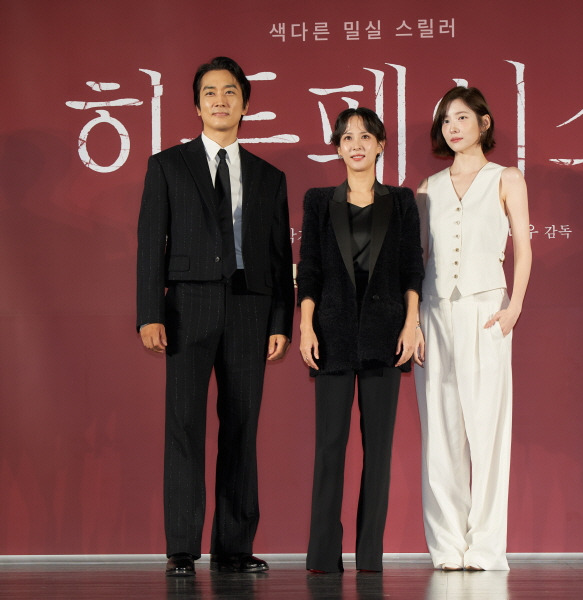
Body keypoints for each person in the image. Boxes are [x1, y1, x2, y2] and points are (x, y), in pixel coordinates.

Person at [136, 56, 294, 577]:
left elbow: (279, 257)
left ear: (245, 104)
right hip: (187, 305)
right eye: (210, 92)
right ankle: (182, 548)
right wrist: (149, 313)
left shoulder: (270, 177)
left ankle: (234, 547)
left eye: (230, 92)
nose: (220, 100)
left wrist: (280, 321)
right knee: (184, 425)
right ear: (197, 105)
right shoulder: (168, 166)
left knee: (242, 428)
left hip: (250, 308)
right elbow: (150, 245)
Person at [296, 107, 424, 573]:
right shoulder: (318, 201)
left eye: (366, 136)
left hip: (385, 334)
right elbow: (309, 268)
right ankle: (322, 556)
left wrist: (411, 323)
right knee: (329, 447)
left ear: (380, 145)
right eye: (347, 137)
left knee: (379, 450)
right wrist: (306, 326)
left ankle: (370, 556)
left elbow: (412, 267)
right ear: (337, 147)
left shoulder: (402, 201)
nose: (356, 144)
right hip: (331, 334)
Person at [414, 86, 532, 571]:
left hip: (487, 311)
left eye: (462, 117)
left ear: (484, 122)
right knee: (440, 434)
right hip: (434, 313)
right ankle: (446, 545)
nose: (453, 127)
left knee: (487, 431)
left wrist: (514, 307)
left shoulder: (507, 178)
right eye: (446, 120)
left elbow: (524, 248)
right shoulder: (427, 187)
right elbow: (418, 258)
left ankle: (485, 547)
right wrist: (413, 322)